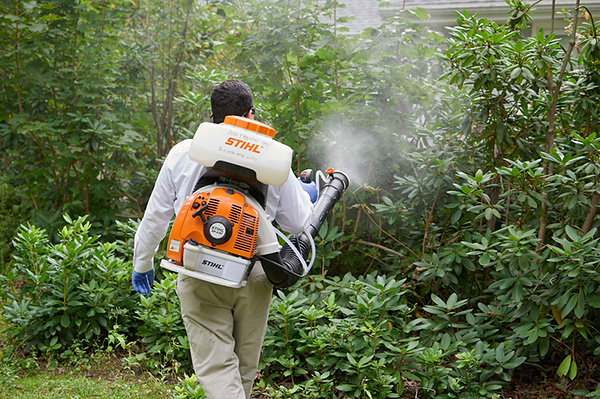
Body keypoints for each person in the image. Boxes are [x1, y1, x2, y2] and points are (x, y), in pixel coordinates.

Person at [131, 79, 314, 399]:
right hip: (256, 272)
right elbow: (299, 222)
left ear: (211, 116)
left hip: (198, 268)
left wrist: (143, 261)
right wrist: (301, 190)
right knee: (242, 369)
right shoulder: (271, 156)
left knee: (217, 370)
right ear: (252, 114)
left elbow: (155, 217)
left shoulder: (183, 152)